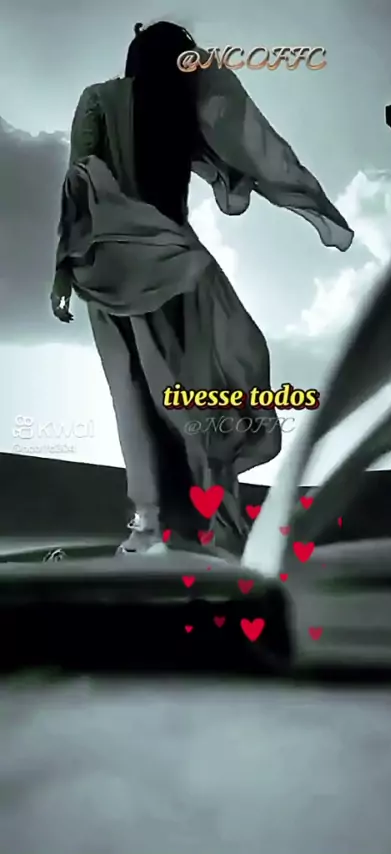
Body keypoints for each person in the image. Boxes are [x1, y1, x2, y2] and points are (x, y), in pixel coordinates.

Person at [50, 20, 354, 556]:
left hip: (113, 262)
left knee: (142, 397)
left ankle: (167, 523)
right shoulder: (180, 106)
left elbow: (80, 180)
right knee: (183, 396)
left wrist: (62, 266)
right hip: (167, 260)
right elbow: (244, 156)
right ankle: (192, 523)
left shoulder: (108, 100)